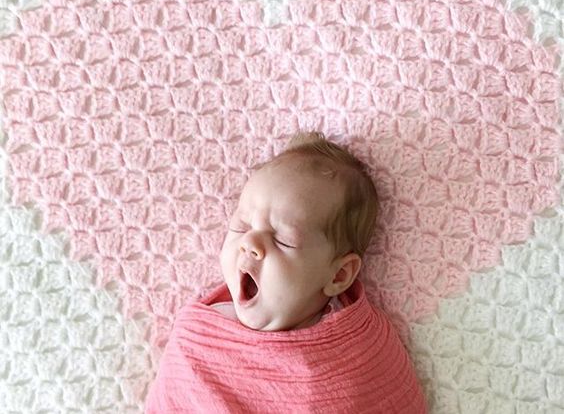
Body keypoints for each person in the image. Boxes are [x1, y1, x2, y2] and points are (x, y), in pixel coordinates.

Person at [146, 131, 427, 413]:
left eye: (283, 240)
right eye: (242, 226)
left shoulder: (361, 354)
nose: (249, 243)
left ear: (339, 275)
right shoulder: (198, 341)